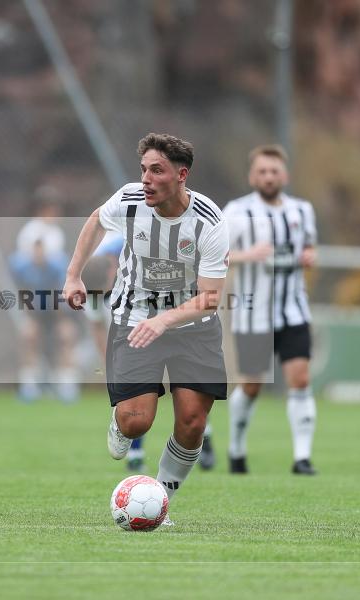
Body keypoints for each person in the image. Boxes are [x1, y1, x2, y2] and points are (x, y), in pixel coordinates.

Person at [63, 133, 229, 523]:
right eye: (143, 170)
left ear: (181, 175)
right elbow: (95, 222)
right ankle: (121, 421)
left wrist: (166, 320)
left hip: (194, 325)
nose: (147, 179)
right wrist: (73, 275)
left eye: (157, 170)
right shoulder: (129, 200)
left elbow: (210, 297)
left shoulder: (210, 221)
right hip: (134, 318)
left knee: (192, 421)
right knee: (136, 421)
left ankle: (161, 500)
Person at [223, 144, 319, 476]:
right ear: (252, 176)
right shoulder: (235, 212)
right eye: (262, 171)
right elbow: (213, 255)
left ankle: (302, 458)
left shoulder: (302, 211)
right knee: (252, 386)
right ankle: (236, 450)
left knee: (301, 379)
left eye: (274, 171)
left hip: (293, 311)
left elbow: (307, 247)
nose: (268, 176)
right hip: (253, 314)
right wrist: (247, 255)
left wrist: (309, 257)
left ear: (285, 175)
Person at [10, 196, 79, 403]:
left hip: (57, 297)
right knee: (30, 336)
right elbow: (22, 279)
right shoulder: (27, 242)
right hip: (36, 299)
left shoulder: (56, 240)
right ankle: (29, 386)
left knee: (65, 336)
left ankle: (67, 385)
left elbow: (63, 277)